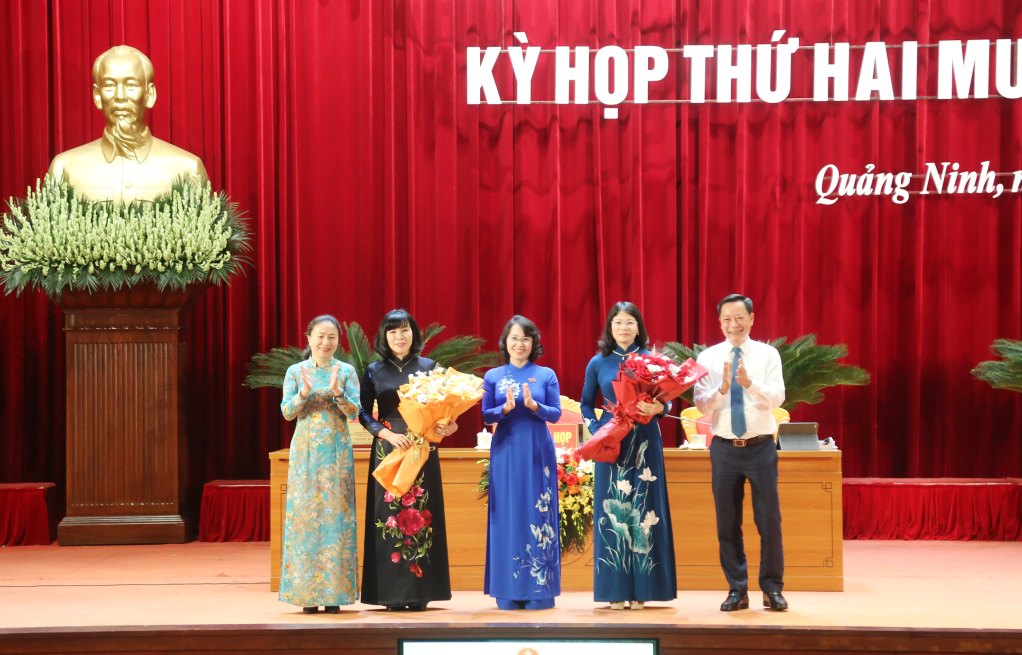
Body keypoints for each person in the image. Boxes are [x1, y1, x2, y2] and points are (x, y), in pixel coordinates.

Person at [693, 294, 788, 612]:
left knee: (769, 521)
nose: (733, 325)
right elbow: (701, 404)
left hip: (760, 446)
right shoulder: (708, 357)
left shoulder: (767, 354)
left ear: (752, 318)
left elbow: (777, 397)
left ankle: (772, 588)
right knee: (727, 523)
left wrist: (749, 384)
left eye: (739, 318)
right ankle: (737, 589)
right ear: (719, 323)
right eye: (726, 319)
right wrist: (722, 389)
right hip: (724, 448)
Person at [581, 301, 677, 610]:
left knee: (645, 506)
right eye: (618, 322)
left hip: (646, 441)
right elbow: (585, 403)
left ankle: (644, 590)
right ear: (610, 328)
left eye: (630, 322)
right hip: (613, 442)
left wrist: (660, 408)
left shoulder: (653, 361)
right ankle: (615, 590)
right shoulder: (598, 363)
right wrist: (598, 427)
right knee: (613, 512)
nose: (624, 328)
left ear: (639, 327)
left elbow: (669, 402)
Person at [358, 309, 456, 611]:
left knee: (422, 515)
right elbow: (362, 412)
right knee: (389, 516)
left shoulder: (429, 366)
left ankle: (422, 591)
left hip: (422, 448)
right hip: (389, 449)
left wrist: (449, 425)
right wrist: (384, 435)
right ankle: (390, 593)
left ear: (414, 333)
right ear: (384, 337)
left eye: (404, 330)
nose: (399, 337)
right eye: (392, 332)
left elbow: (445, 412)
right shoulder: (374, 370)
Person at [47, 45, 208, 203]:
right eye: (109, 85)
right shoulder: (65, 169)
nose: (120, 96)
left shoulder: (187, 169)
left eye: (131, 85)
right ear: (97, 95)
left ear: (149, 94)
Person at [279, 315, 361, 614]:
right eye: (320, 336)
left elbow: (355, 412)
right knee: (305, 518)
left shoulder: (347, 371)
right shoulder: (295, 371)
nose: (326, 343)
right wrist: (302, 394)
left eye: (332, 338)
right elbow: (287, 413)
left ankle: (335, 593)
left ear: (338, 341)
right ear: (309, 338)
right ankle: (307, 594)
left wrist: (339, 392)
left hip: (337, 452)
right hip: (305, 452)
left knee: (336, 518)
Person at [482, 315, 562, 610]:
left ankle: (539, 590)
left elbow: (555, 413)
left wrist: (534, 406)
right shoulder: (493, 376)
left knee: (537, 511)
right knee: (506, 514)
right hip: (505, 450)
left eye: (525, 339)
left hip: (537, 450)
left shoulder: (545, 375)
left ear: (533, 343)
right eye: (514, 338)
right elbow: (486, 415)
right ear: (505, 342)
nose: (519, 344)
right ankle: (507, 589)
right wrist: (503, 408)